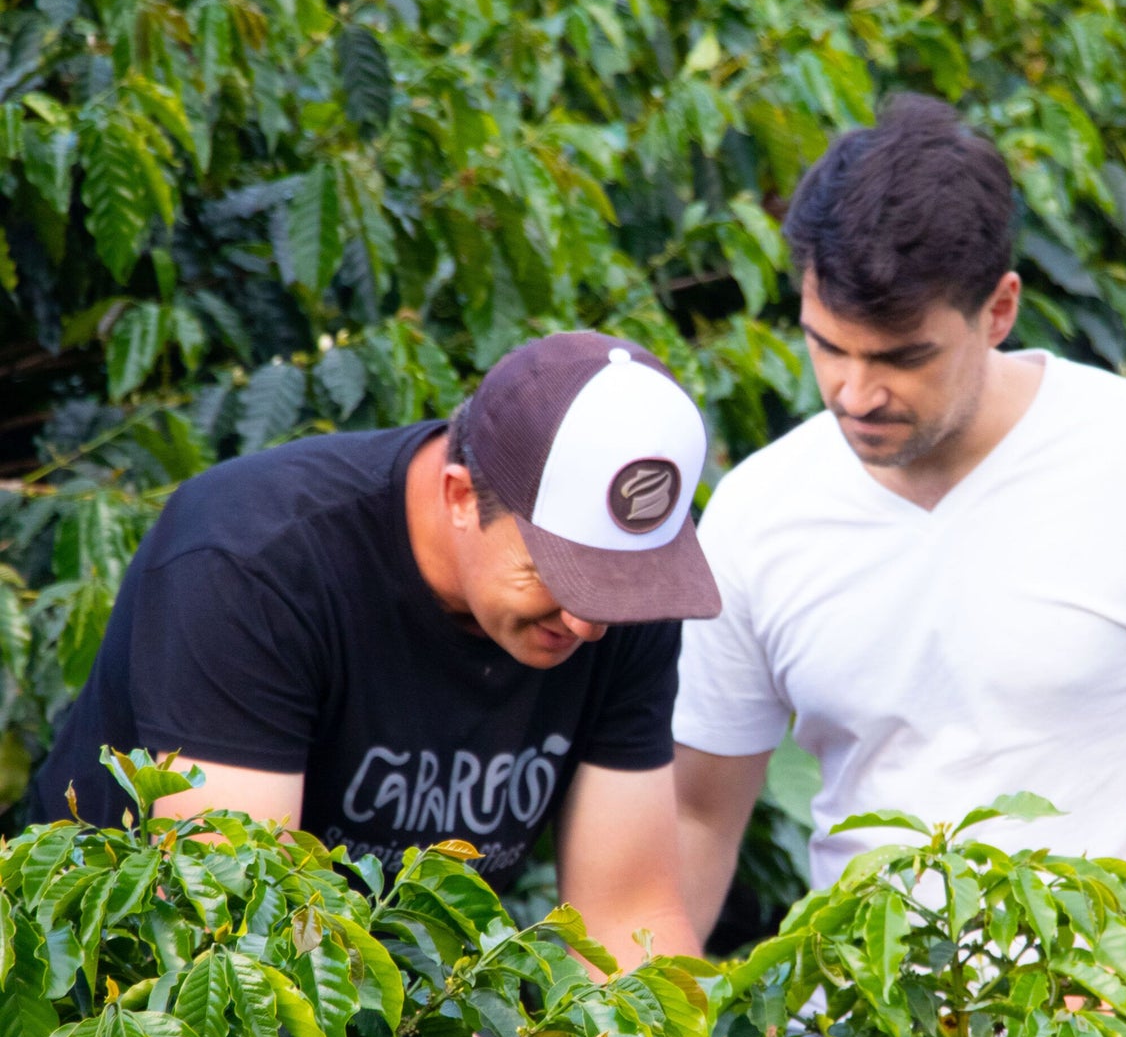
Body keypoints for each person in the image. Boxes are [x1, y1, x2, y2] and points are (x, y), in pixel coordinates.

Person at [672, 94, 1126, 943]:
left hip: (1113, 1033)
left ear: (999, 309)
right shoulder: (759, 510)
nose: (855, 392)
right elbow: (695, 814)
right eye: (827, 345)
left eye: (902, 357)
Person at [33, 330, 722, 967]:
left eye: (621, 584)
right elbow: (237, 920)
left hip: (419, 1001)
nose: (588, 623)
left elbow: (628, 916)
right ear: (459, 496)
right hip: (121, 988)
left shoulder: (617, 603)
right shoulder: (254, 562)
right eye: (558, 572)